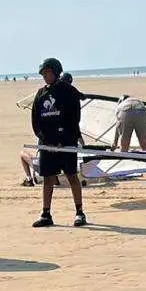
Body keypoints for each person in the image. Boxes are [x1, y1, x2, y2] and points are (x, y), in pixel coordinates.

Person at [29, 57, 87, 228]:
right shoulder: (41, 94)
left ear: (56, 72)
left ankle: (79, 212)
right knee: (48, 178)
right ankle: (46, 213)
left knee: (71, 176)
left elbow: (74, 119)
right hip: (47, 144)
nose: (45, 76)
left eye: (47, 73)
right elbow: (35, 120)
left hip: (66, 143)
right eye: (43, 74)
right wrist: (46, 141)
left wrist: (63, 141)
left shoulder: (68, 91)